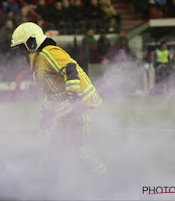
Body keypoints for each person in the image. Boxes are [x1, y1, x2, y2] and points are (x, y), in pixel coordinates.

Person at [10, 22, 106, 175]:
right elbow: (53, 93)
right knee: (56, 147)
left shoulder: (48, 53)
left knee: (78, 148)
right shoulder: (38, 64)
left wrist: (74, 100)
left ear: (32, 42)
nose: (21, 52)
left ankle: (103, 178)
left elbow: (70, 68)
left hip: (82, 105)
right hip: (70, 107)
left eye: (22, 47)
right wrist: (46, 113)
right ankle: (52, 180)